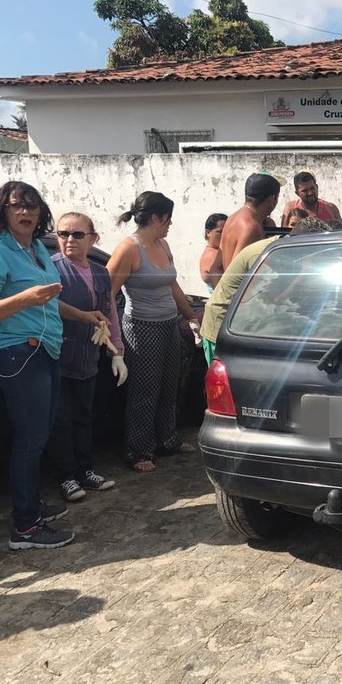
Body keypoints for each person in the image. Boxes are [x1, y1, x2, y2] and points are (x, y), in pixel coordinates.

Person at [0, 182, 104, 549]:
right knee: (30, 440)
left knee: (40, 434)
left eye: (31, 205)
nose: (25, 212)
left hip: (44, 350)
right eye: (16, 206)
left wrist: (83, 315)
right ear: (2, 210)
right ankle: (25, 528)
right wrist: (22, 299)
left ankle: (32, 507)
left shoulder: (34, 249)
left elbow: (47, 300)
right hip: (16, 353)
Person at [107, 191, 202, 473]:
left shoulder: (162, 244)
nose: (170, 224)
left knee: (169, 385)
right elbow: (107, 293)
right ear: (155, 217)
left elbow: (173, 287)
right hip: (141, 327)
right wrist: (112, 335)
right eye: (168, 218)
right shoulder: (129, 248)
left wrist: (191, 317)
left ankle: (167, 439)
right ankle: (139, 451)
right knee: (145, 390)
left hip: (168, 324)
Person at [46, 212, 124, 502]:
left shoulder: (100, 271)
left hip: (87, 357)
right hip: (58, 355)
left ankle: (86, 470)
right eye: (63, 234)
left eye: (78, 235)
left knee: (84, 416)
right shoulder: (51, 269)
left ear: (93, 239)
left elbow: (110, 311)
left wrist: (117, 351)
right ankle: (66, 476)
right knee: (61, 419)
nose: (69, 240)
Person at [201, 216, 332, 364]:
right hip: (223, 326)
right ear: (306, 245)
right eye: (317, 251)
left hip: (246, 321)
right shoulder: (265, 256)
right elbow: (265, 302)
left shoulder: (288, 250)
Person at [220, 173, 282, 270]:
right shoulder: (251, 227)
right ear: (272, 199)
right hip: (241, 285)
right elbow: (239, 270)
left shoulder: (232, 218)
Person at [199, 213, 227, 291]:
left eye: (227, 231)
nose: (224, 235)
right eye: (220, 232)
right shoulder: (212, 255)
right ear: (208, 233)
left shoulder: (219, 251)